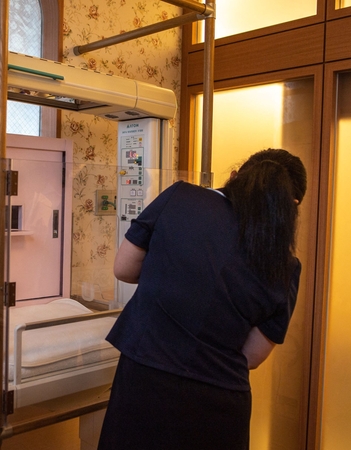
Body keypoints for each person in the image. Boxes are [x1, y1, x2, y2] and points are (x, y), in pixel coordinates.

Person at [97, 148, 307, 450]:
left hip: (145, 381)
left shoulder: (180, 198)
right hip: (219, 403)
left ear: (235, 177)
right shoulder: (285, 265)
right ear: (292, 206)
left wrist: (170, 276)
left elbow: (124, 268)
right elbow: (252, 355)